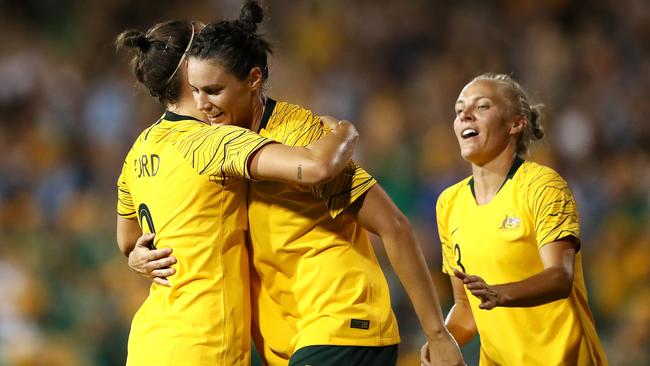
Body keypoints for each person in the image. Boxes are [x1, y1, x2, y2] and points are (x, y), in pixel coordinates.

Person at [129, 2, 464, 365]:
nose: (202, 105)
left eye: (213, 90)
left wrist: (437, 334)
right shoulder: (221, 152)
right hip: (295, 343)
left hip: (342, 324)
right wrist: (138, 253)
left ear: (254, 79)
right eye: (195, 91)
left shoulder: (300, 135)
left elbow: (394, 225)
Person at [114, 18, 359, 366]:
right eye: (204, 45)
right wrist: (344, 129)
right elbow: (316, 167)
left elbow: (127, 241)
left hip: (149, 344)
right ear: (190, 69)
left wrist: (137, 259)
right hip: (204, 344)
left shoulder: (138, 150)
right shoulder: (217, 142)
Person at [421, 73, 608, 365]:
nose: (465, 115)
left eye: (482, 107)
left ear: (516, 123)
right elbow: (467, 308)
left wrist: (500, 294)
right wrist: (441, 340)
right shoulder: (449, 203)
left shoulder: (542, 185)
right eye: (459, 110)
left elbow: (560, 277)